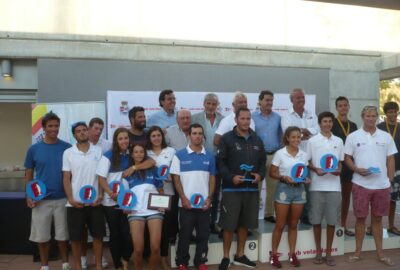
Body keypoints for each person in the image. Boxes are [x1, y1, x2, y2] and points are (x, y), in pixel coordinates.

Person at [344, 105, 396, 266]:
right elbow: (347, 158)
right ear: (362, 117)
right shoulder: (353, 136)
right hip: (360, 184)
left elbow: (390, 159)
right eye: (368, 116)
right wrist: (356, 169)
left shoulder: (386, 136)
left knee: (378, 220)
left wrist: (390, 180)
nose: (371, 118)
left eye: (374, 116)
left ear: (377, 117)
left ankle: (380, 253)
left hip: (381, 186)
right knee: (360, 219)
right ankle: (357, 253)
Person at [217, 108, 265, 270]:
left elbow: (262, 163)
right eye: (242, 118)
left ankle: (240, 255)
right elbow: (220, 163)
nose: (245, 121)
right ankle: (225, 257)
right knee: (229, 225)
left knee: (244, 224)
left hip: (251, 190)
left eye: (248, 118)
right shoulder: (227, 139)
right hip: (232, 189)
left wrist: (260, 175)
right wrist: (231, 178)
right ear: (236, 120)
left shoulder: (257, 139)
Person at [24, 112, 72, 270]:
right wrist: (29, 195)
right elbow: (29, 173)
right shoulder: (34, 149)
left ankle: (65, 263)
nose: (54, 129)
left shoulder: (67, 148)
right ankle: (44, 266)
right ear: (43, 128)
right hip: (41, 200)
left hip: (63, 199)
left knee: (63, 236)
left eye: (56, 126)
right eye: (50, 126)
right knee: (42, 236)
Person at [171, 123, 216, 270]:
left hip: (204, 205)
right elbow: (176, 179)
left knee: (203, 235)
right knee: (184, 235)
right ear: (189, 135)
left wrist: (210, 198)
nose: (197, 136)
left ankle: (201, 261)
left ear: (203, 136)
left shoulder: (210, 155)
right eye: (194, 133)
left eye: (200, 133)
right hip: (186, 205)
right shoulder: (179, 155)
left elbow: (212, 178)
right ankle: (182, 262)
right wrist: (183, 197)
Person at [63, 122, 105, 270]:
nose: (82, 133)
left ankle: (99, 265)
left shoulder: (98, 151)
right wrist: (70, 199)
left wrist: (100, 194)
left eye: (84, 130)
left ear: (88, 132)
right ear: (74, 135)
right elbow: (66, 178)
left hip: (95, 203)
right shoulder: (68, 153)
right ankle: (78, 267)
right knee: (75, 238)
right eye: (78, 131)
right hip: (75, 203)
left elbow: (101, 176)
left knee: (98, 236)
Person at [307, 112, 344, 266]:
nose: (327, 124)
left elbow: (340, 162)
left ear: (332, 123)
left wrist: (339, 170)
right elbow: (307, 161)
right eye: (324, 121)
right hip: (316, 186)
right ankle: (318, 252)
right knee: (316, 221)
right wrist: (316, 170)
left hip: (334, 187)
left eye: (329, 121)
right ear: (319, 123)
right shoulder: (312, 141)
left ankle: (328, 253)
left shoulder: (339, 141)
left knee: (331, 221)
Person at [268, 126, 308, 268]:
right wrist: (284, 177)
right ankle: (273, 255)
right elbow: (272, 173)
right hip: (284, 189)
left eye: (298, 137)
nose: (296, 139)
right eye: (293, 137)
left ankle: (292, 254)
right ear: (287, 138)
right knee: (280, 224)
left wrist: (306, 179)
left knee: (293, 224)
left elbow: (304, 173)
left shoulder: (304, 154)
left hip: (299, 191)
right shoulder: (280, 153)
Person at [97, 128, 133, 270]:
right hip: (110, 203)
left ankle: (125, 259)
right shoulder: (108, 156)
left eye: (126, 138)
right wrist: (111, 193)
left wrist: (134, 167)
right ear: (116, 141)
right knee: (115, 234)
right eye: (121, 138)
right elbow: (100, 178)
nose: (124, 141)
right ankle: (118, 264)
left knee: (127, 235)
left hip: (128, 203)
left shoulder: (132, 156)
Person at [281, 88, 319, 225]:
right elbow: (288, 134)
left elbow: (317, 131)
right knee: (292, 187)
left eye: (303, 97)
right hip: (293, 158)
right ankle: (290, 218)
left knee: (308, 188)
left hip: (310, 157)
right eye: (298, 98)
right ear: (292, 100)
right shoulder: (286, 116)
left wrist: (302, 131)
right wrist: (305, 133)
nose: (301, 100)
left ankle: (306, 216)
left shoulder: (311, 114)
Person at [126, 144, 164, 270]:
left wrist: (162, 205)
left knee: (155, 247)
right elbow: (124, 195)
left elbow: (160, 190)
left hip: (154, 211)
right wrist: (125, 206)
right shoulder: (127, 172)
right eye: (136, 152)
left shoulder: (154, 168)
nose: (139, 154)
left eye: (141, 151)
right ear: (131, 154)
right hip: (135, 211)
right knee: (137, 250)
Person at [191, 93, 224, 234]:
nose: (211, 107)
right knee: (198, 189)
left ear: (217, 106)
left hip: (217, 160)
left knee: (215, 193)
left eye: (214, 104)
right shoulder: (195, 118)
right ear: (204, 104)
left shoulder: (223, 120)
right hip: (199, 159)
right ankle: (195, 224)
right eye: (208, 103)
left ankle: (212, 223)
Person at [146, 126, 177, 270]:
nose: (156, 138)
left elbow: (176, 172)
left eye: (159, 135)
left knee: (165, 229)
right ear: (149, 138)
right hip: (149, 196)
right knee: (149, 229)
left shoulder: (170, 151)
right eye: (153, 136)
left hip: (167, 195)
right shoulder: (145, 153)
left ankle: (164, 259)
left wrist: (169, 177)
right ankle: (151, 258)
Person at [252, 90, 283, 223]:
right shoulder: (252, 117)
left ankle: (269, 214)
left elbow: (281, 136)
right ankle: (252, 215)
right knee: (256, 187)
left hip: (274, 155)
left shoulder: (277, 117)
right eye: (267, 100)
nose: (269, 103)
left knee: (273, 187)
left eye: (271, 100)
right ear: (260, 101)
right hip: (258, 156)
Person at [84, 117, 110, 269]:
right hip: (81, 192)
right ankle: (82, 258)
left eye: (101, 129)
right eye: (96, 128)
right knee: (81, 230)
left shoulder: (107, 145)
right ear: (88, 128)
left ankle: (99, 257)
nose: (98, 132)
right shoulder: (79, 144)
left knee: (98, 230)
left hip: (101, 192)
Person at [331, 96, 358, 237]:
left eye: (345, 105)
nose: (343, 108)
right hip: (335, 165)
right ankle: (333, 225)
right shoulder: (332, 124)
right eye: (340, 106)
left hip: (349, 164)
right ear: (336, 108)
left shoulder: (353, 126)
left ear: (348, 107)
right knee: (334, 197)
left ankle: (343, 225)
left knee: (346, 197)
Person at [377, 101, 400, 236]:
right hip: (381, 168)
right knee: (378, 198)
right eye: (390, 112)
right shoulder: (380, 127)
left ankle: (391, 225)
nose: (393, 114)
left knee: (393, 199)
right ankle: (372, 226)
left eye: (395, 111)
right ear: (386, 114)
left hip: (398, 168)